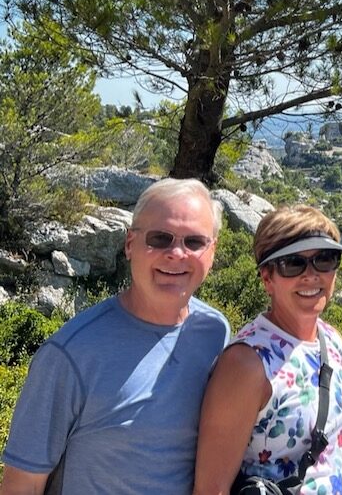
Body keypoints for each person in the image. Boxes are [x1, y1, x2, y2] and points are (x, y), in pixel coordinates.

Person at [0, 178, 229, 495]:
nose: (177, 253)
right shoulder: (71, 353)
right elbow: (22, 484)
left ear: (212, 251)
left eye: (194, 242)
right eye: (159, 239)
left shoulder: (216, 333)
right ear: (130, 244)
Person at [193, 205, 342, 495]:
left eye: (325, 259)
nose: (311, 275)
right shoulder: (247, 364)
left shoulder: (329, 338)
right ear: (267, 278)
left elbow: (333, 414)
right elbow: (211, 488)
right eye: (293, 264)